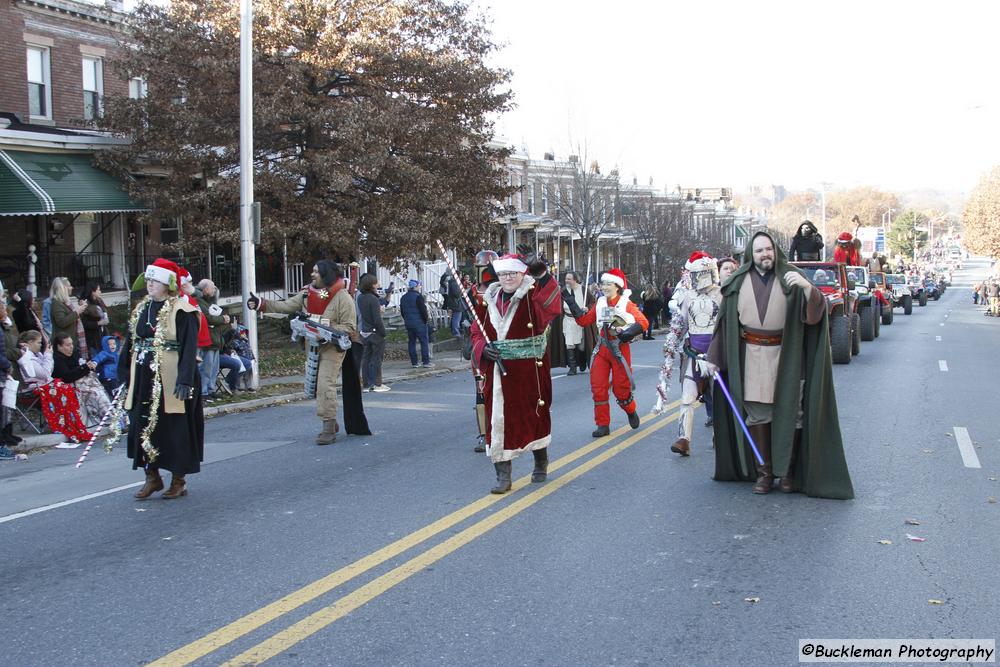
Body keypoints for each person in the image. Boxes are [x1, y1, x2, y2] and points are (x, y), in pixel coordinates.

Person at [707, 231, 853, 499]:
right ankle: (765, 473)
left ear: (776, 251)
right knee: (759, 414)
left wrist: (808, 288)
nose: (765, 254)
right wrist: (715, 358)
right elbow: (725, 324)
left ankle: (787, 473)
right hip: (750, 356)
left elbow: (815, 315)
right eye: (760, 250)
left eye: (769, 249)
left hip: (787, 356)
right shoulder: (738, 282)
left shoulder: (791, 278)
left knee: (791, 413)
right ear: (752, 253)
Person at [248, 260, 370, 445]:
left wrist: (324, 327)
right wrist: (261, 304)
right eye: (312, 271)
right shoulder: (307, 293)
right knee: (312, 385)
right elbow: (286, 306)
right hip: (312, 345)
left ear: (326, 275)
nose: (312, 274)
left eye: (316, 272)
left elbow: (349, 327)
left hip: (333, 347)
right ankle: (331, 421)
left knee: (324, 384)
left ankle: (328, 426)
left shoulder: (342, 296)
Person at [471, 250, 562, 494]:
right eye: (503, 273)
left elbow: (552, 307)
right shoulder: (488, 299)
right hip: (497, 371)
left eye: (513, 272)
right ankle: (503, 475)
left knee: (533, 416)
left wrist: (542, 273)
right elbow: (476, 332)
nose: (508, 278)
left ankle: (540, 461)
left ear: (522, 273)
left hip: (528, 370)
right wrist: (483, 348)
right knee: (497, 420)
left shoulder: (533, 296)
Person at [118, 259, 204, 499]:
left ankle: (179, 479)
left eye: (154, 280)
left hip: (172, 378)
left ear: (167, 283)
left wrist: (185, 380)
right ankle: (152, 476)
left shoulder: (182, 310)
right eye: (148, 280)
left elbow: (189, 347)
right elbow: (130, 342)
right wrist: (124, 373)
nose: (149, 284)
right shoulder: (141, 309)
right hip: (144, 377)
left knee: (174, 428)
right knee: (143, 425)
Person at [563, 268, 648, 437]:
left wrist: (628, 333)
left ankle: (630, 410)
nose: (605, 287)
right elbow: (583, 321)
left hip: (619, 351)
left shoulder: (626, 304)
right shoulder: (600, 303)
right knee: (598, 388)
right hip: (601, 349)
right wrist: (572, 303)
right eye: (603, 284)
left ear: (617, 286)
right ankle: (603, 424)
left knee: (621, 390)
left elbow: (643, 322)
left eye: (608, 284)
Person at [658, 252, 722, 456]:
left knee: (719, 398)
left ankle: (720, 435)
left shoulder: (723, 295)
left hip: (717, 355)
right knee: (687, 397)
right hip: (693, 354)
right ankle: (683, 438)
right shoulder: (687, 297)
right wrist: (671, 345)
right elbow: (681, 324)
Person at [17, 330, 92, 443]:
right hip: (32, 388)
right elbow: (46, 373)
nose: (41, 345)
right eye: (38, 342)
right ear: (30, 342)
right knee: (61, 389)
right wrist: (48, 355)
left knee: (65, 388)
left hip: (42, 384)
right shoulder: (25, 357)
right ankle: (64, 424)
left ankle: (73, 423)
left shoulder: (36, 354)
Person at [468, 250, 499, 453]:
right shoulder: (472, 291)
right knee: (481, 391)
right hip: (481, 344)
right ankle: (483, 434)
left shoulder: (502, 289)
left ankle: (501, 430)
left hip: (501, 343)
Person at [51, 333, 111, 427]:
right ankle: (106, 417)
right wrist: (84, 368)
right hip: (68, 386)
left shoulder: (74, 354)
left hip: (83, 383)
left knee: (98, 392)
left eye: (71, 344)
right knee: (95, 393)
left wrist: (89, 367)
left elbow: (80, 367)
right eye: (67, 345)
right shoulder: (56, 359)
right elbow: (66, 377)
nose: (71, 347)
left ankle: (110, 417)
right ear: (59, 346)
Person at [195, 279, 229, 401]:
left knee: (213, 369)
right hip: (208, 341)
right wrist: (222, 319)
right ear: (204, 289)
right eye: (212, 288)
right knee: (206, 368)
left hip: (215, 340)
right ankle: (204, 391)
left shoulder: (209, 302)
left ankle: (211, 388)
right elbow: (208, 318)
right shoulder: (199, 302)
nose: (214, 290)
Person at [357, 273, 390, 392]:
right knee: (377, 358)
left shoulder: (360, 297)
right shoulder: (373, 299)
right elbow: (377, 319)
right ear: (372, 285)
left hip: (364, 331)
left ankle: (366, 384)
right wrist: (383, 332)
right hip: (375, 333)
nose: (378, 284)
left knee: (366, 358)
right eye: (376, 282)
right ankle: (377, 383)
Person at [49, 277, 88, 358]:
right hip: (63, 345)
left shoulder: (67, 302)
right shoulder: (56, 303)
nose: (72, 288)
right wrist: (77, 312)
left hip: (72, 342)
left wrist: (81, 308)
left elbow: (74, 318)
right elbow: (62, 322)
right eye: (69, 286)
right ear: (63, 288)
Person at [400, 279, 433, 368]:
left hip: (409, 323)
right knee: (424, 342)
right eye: (419, 286)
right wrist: (425, 320)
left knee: (411, 342)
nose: (420, 287)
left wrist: (406, 319)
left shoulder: (403, 297)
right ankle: (426, 362)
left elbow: (402, 311)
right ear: (415, 287)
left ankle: (414, 362)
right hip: (419, 323)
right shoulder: (418, 296)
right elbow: (423, 310)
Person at [562, 272, 587, 375]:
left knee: (581, 346)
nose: (566, 281)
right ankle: (572, 368)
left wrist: (587, 308)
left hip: (580, 320)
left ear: (575, 280)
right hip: (567, 320)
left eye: (569, 279)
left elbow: (592, 302)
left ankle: (582, 362)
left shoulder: (583, 290)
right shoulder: (563, 291)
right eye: (566, 279)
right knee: (569, 344)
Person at [79, 283, 110, 358]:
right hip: (93, 338)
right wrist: (98, 323)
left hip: (102, 334)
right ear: (92, 292)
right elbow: (85, 323)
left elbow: (104, 312)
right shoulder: (85, 304)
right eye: (98, 290)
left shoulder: (99, 301)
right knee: (96, 358)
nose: (100, 292)